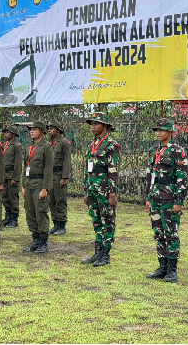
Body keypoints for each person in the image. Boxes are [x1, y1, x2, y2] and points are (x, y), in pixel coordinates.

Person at [145, 118, 188, 283]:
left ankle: (172, 270)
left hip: (170, 197)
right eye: (157, 129)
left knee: (170, 232)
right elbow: (150, 176)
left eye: (162, 130)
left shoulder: (177, 151)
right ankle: (162, 267)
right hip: (155, 197)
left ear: (170, 132)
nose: (158, 132)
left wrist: (179, 200)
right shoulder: (153, 150)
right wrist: (148, 197)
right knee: (158, 232)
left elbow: (182, 176)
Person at [81, 113, 120, 267]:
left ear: (104, 126)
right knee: (96, 220)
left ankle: (105, 255)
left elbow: (113, 170)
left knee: (107, 220)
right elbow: (87, 169)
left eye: (96, 124)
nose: (93, 127)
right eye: (91, 124)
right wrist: (86, 191)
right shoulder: (91, 144)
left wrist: (112, 193)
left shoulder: (111, 144)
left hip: (104, 188)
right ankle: (97, 252)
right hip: (92, 187)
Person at [22, 121, 55, 254]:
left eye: (35, 129)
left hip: (39, 183)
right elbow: (25, 167)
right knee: (30, 212)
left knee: (41, 212)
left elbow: (48, 169)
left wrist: (45, 188)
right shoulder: (29, 146)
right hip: (29, 183)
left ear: (42, 131)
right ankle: (35, 239)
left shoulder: (46, 147)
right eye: (30, 129)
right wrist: (23, 184)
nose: (31, 131)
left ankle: (43, 241)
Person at [46, 122, 72, 236]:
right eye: (48, 129)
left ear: (58, 130)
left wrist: (64, 177)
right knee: (51, 200)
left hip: (59, 174)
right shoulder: (49, 143)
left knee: (60, 200)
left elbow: (67, 160)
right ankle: (55, 223)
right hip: (50, 175)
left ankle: (62, 225)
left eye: (51, 129)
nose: (49, 131)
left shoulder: (64, 142)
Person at [0, 126, 24, 229]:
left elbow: (18, 163)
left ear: (13, 134)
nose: (5, 134)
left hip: (12, 175)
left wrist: (16, 178)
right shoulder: (6, 144)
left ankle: (14, 219)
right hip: (4, 175)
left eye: (7, 132)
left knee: (13, 197)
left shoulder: (16, 146)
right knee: (5, 197)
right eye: (4, 132)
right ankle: (8, 216)